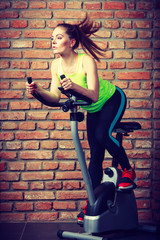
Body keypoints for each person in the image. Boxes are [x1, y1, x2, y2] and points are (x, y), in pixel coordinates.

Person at [26, 14, 137, 224]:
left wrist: (74, 86)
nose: (53, 41)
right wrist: (38, 91)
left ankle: (129, 171)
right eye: (52, 37)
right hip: (94, 109)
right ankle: (93, 202)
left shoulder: (85, 60)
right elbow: (55, 98)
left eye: (58, 37)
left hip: (112, 99)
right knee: (95, 156)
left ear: (72, 42)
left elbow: (93, 94)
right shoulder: (55, 65)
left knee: (102, 134)